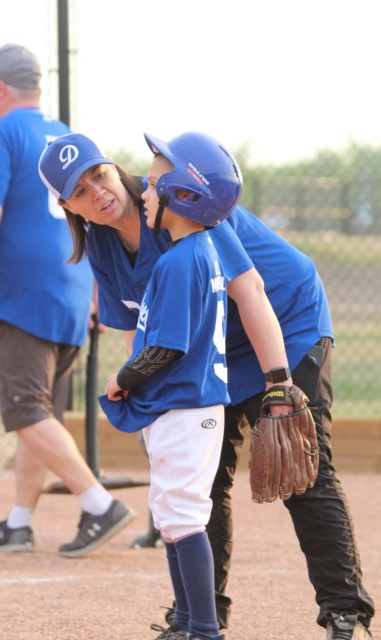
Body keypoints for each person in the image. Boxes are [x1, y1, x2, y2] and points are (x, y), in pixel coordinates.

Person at [38, 130, 376, 639]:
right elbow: (143, 332)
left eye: (98, 174)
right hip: (214, 351)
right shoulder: (104, 250)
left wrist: (279, 383)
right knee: (202, 481)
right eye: (80, 191)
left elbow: (252, 291)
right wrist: (153, 404)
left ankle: (345, 612)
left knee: (302, 472)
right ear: (68, 207)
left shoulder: (182, 199)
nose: (97, 191)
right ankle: (200, 618)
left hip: (283, 326)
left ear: (113, 167)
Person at [0, 43, 136, 558]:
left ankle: (98, 504)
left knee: (25, 410)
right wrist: (100, 288)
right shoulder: (64, 135)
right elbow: (98, 215)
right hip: (72, 291)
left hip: (20, 295)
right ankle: (19, 523)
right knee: (40, 415)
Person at [98, 131, 238, 640]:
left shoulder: (183, 260)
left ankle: (203, 629)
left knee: (182, 518)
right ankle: (188, 623)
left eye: (155, 185)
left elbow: (166, 349)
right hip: (182, 407)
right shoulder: (189, 253)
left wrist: (121, 379)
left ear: (184, 195)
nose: (145, 193)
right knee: (174, 517)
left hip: (186, 407)